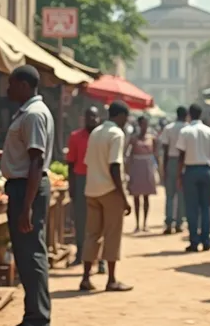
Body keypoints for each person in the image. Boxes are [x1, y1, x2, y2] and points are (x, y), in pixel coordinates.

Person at [0, 65, 54, 326]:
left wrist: (27, 207)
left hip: (27, 188)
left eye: (11, 83)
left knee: (31, 253)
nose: (7, 89)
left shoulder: (33, 114)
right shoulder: (29, 112)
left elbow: (35, 161)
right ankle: (34, 313)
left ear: (23, 85)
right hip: (24, 187)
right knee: (27, 253)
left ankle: (37, 317)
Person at [79, 101, 133, 292]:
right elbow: (115, 166)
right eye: (126, 118)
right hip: (110, 190)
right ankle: (111, 279)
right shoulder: (117, 134)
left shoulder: (95, 132)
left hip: (92, 189)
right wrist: (124, 197)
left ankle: (85, 277)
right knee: (112, 235)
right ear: (120, 116)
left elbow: (88, 162)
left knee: (92, 235)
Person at [66, 106, 106, 273]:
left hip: (99, 179)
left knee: (101, 221)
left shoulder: (103, 136)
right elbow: (70, 163)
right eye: (89, 116)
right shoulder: (75, 137)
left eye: (95, 117)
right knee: (81, 220)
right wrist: (72, 186)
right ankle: (80, 252)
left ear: (99, 118)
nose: (92, 120)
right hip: (81, 179)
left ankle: (101, 259)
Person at [176, 103, 210, 252]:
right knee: (205, 207)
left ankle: (194, 241)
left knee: (191, 209)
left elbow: (181, 156)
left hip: (191, 171)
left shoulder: (185, 131)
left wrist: (179, 176)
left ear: (189, 114)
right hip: (206, 170)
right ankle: (206, 241)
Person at [126, 116, 158, 232]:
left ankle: (145, 223)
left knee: (146, 197)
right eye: (142, 124)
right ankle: (137, 223)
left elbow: (156, 154)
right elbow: (128, 155)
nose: (143, 127)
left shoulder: (152, 138)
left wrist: (157, 170)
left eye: (145, 124)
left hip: (147, 168)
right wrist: (127, 172)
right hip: (136, 168)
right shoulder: (133, 139)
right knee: (136, 197)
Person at [160, 106, 188, 234]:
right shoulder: (188, 129)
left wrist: (164, 167)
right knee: (181, 194)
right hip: (185, 163)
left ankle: (168, 223)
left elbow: (165, 150)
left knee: (170, 195)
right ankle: (179, 223)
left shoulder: (168, 128)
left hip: (171, 161)